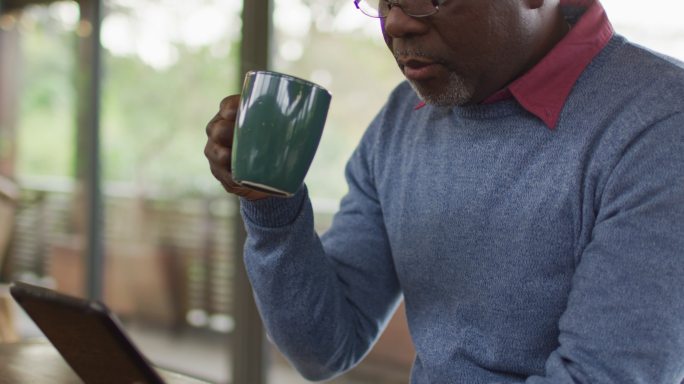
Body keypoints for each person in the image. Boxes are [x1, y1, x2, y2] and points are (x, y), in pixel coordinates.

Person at [204, 0, 684, 382]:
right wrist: (271, 205)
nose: (394, 24)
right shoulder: (403, 119)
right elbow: (325, 348)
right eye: (385, 0)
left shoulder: (659, 125)